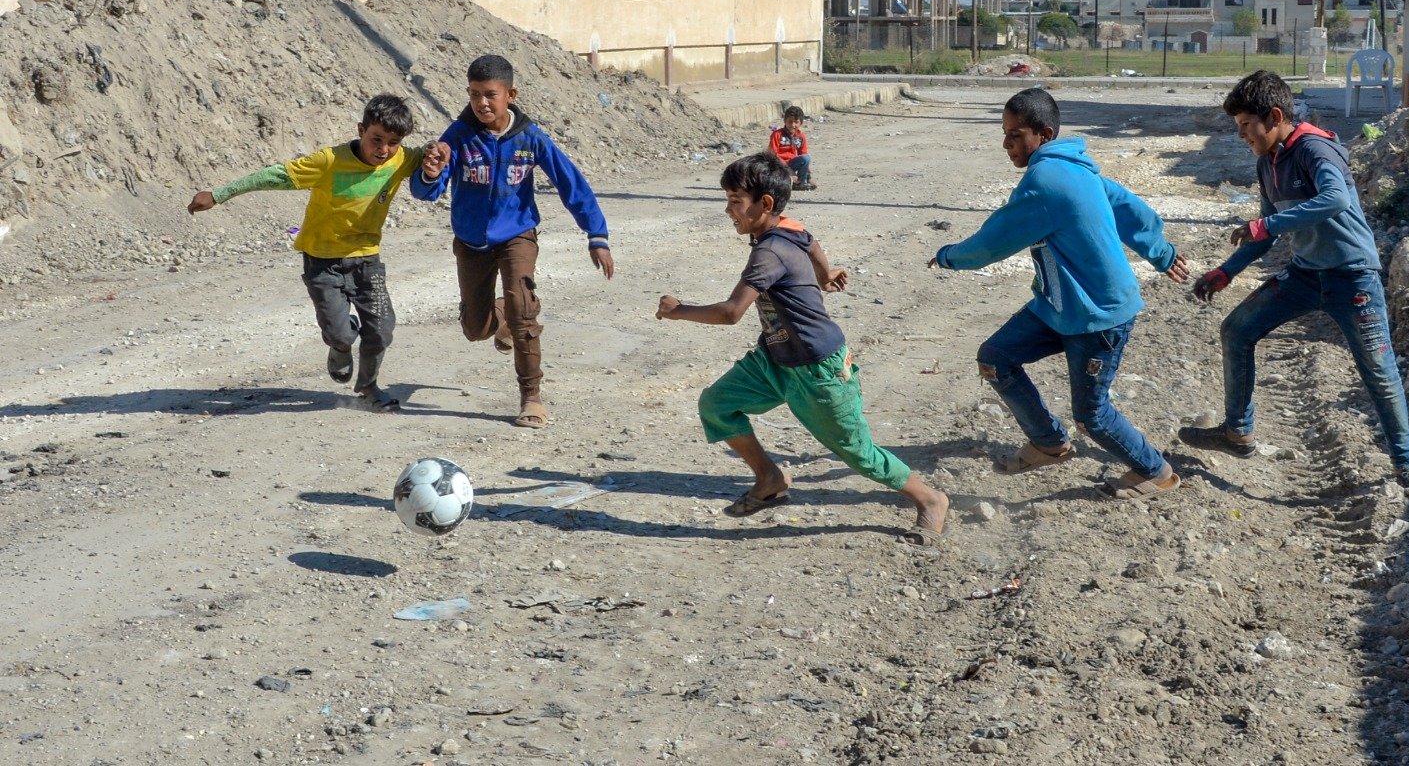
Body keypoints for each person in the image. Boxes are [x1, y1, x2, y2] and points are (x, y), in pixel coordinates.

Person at [657, 153, 948, 543]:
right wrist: (825, 273)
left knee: (857, 452)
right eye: (726, 200)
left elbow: (731, 313)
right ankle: (769, 478)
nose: (728, 211)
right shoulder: (783, 229)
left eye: (735, 201)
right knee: (717, 404)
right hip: (775, 359)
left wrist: (679, 312)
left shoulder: (768, 252)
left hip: (817, 368)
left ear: (766, 204)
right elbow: (810, 241)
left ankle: (929, 499)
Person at [929, 87, 1191, 500]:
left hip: (1099, 316)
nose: (1006, 144)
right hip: (1059, 307)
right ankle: (1049, 443)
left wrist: (948, 256)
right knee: (996, 358)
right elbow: (1128, 207)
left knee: (1093, 415)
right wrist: (1161, 252)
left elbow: (992, 243)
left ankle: (1156, 472)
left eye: (1015, 136)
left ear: (1044, 135)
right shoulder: (1076, 167)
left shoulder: (1045, 180)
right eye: (1005, 133)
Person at [1181, 70, 1409, 486]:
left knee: (1379, 373)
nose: (1241, 136)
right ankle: (1238, 431)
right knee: (1236, 330)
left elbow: (1335, 199)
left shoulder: (1315, 149)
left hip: (1353, 279)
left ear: (1274, 116)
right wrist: (1225, 271)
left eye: (1245, 126)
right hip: (1305, 275)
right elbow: (1267, 228)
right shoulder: (1266, 164)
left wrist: (1265, 228)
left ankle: (1406, 466)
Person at [409, 54, 614, 429]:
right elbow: (428, 192)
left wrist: (596, 234)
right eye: (474, 95)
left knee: (525, 312)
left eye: (489, 94)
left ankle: (531, 396)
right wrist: (429, 171)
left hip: (518, 234)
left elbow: (571, 184)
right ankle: (503, 313)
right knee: (476, 329)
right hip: (471, 242)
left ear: (510, 94)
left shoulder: (530, 138)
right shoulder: (456, 137)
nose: (481, 103)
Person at [187, 94, 422, 411]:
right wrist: (218, 194)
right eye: (376, 139)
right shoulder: (329, 162)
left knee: (381, 330)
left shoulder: (400, 159)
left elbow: (437, 153)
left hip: (367, 261)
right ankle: (340, 343)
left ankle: (369, 388)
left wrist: (440, 151)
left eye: (392, 143)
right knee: (341, 334)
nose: (383, 150)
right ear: (360, 130)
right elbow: (275, 175)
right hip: (322, 264)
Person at [769, 105, 815, 190]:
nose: (793, 125)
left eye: (796, 122)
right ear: (784, 121)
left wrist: (808, 173)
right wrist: (788, 170)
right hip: (778, 165)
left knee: (806, 159)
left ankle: (801, 182)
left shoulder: (800, 136)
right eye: (790, 121)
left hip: (791, 164)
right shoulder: (777, 134)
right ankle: (793, 181)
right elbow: (772, 155)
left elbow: (803, 154)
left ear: (801, 123)